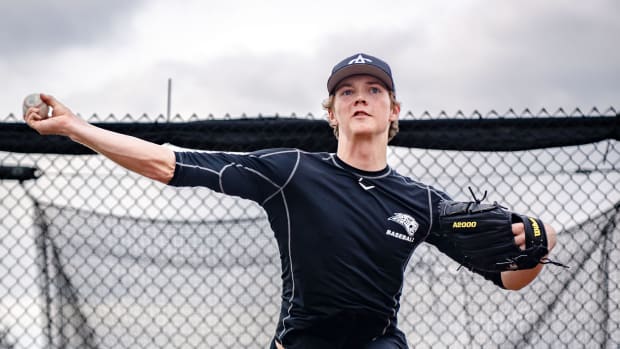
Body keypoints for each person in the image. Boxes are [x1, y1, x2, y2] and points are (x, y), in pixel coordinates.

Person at [24, 53, 557, 349]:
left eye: (373, 90)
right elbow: (167, 162)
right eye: (347, 92)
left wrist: (538, 245)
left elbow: (509, 278)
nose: (360, 98)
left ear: (394, 111)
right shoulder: (292, 172)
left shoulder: (422, 201)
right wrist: (75, 127)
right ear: (331, 113)